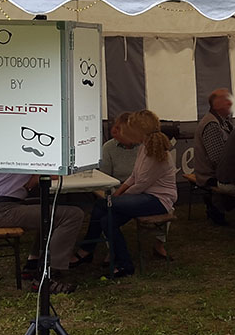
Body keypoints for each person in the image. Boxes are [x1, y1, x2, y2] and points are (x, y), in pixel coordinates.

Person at [73, 110, 177, 276]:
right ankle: (123, 264)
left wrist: (118, 197)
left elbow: (141, 184)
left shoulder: (157, 153)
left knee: (102, 204)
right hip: (143, 197)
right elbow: (134, 176)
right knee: (107, 220)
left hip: (158, 201)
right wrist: (118, 194)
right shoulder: (144, 147)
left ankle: (87, 250)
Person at [0, 172, 84, 293]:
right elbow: (51, 175)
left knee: (49, 208)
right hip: (1, 210)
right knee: (72, 215)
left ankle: (33, 264)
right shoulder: (24, 159)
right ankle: (46, 276)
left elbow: (31, 182)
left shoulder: (12, 160)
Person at [192, 88, 234, 225]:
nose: (230, 103)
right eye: (226, 100)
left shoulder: (221, 121)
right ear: (216, 105)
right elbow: (217, 159)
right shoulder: (212, 124)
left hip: (213, 172)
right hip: (210, 176)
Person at [99, 113, 139, 182]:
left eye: (119, 129)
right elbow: (104, 179)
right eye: (115, 127)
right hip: (118, 187)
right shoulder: (108, 148)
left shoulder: (144, 146)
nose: (114, 131)